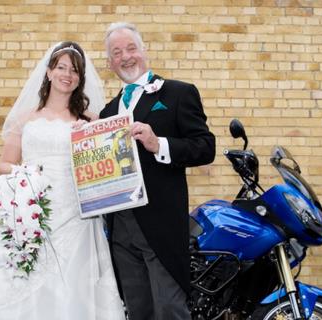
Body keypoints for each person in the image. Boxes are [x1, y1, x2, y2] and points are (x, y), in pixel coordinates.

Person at [0, 41, 126, 320]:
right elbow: (5, 164)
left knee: (72, 283)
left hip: (76, 215)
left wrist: (89, 136)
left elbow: (106, 165)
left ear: (80, 79)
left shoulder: (90, 119)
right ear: (49, 72)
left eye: (74, 71)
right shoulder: (25, 118)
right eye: (62, 67)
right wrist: (27, 179)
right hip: (33, 210)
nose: (68, 74)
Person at [100, 22, 216, 320]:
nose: (126, 57)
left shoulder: (178, 93)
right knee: (138, 311)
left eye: (131, 48)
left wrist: (159, 144)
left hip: (161, 226)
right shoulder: (107, 113)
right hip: (121, 229)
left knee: (169, 310)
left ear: (144, 51)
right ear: (109, 62)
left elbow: (205, 147)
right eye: (117, 52)